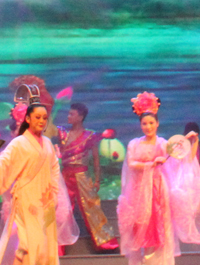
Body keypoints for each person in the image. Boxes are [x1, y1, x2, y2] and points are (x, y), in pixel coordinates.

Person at [117, 92, 200, 265]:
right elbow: (131, 164)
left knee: (159, 231)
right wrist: (151, 163)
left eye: (151, 123)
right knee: (140, 231)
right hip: (138, 193)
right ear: (140, 125)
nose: (148, 126)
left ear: (157, 124)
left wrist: (190, 141)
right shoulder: (134, 143)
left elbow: (182, 158)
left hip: (158, 192)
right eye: (144, 123)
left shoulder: (163, 144)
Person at [0, 101, 62, 264]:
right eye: (37, 117)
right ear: (28, 119)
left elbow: (54, 167)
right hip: (26, 198)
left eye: (44, 118)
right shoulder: (18, 143)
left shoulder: (47, 143)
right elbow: (4, 164)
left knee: (46, 242)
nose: (41, 121)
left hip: (46, 199)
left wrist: (55, 192)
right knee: (28, 242)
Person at [56, 102, 119, 252]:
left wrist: (97, 179)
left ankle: (105, 242)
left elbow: (95, 159)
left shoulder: (90, 136)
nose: (68, 116)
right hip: (65, 175)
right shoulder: (62, 133)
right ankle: (57, 245)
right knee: (62, 210)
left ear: (80, 117)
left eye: (72, 114)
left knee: (92, 208)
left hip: (82, 175)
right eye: (68, 113)